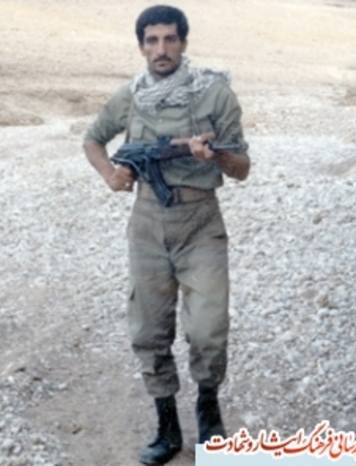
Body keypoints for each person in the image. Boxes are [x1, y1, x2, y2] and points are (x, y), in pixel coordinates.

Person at [83, 5, 250, 465]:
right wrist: (111, 174)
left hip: (201, 222)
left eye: (170, 39)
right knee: (149, 328)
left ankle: (208, 412)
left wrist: (215, 157)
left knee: (208, 328)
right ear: (141, 46)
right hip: (147, 223)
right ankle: (167, 426)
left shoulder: (215, 95)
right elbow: (93, 139)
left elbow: (242, 168)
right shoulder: (130, 97)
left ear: (183, 43)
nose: (161, 49)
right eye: (152, 40)